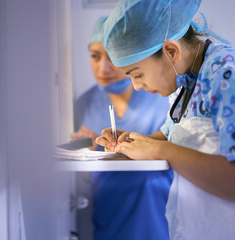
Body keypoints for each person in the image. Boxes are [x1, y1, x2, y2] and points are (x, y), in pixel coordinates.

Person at [95, 0, 235, 239]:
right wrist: (127, 141)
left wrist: (162, 151)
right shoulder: (187, 82)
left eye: (138, 74)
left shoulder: (229, 72)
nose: (136, 86)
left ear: (171, 51)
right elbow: (172, 137)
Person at [71, 16, 173, 240]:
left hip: (156, 208)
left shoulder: (159, 93)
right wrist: (85, 151)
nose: (103, 68)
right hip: (110, 208)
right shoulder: (84, 104)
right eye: (95, 57)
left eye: (112, 58)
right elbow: (88, 176)